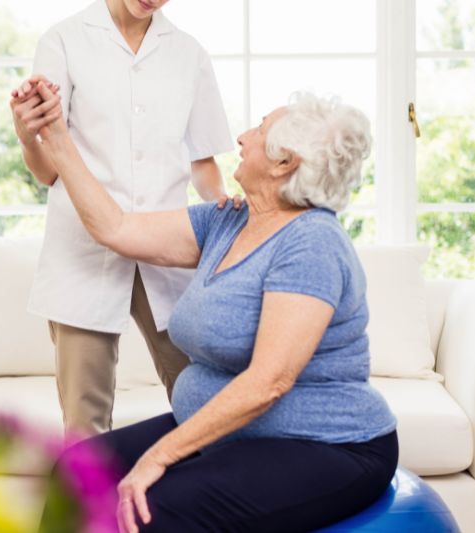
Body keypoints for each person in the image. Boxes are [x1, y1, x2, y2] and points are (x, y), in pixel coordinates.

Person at [30, 85, 400, 532]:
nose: (242, 137)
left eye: (259, 130)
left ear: (285, 163)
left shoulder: (312, 243)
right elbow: (116, 227)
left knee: (153, 506)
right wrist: (57, 139)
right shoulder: (227, 220)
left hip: (329, 446)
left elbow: (269, 382)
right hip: (241, 434)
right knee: (77, 470)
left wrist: (160, 455)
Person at [9, 0, 240, 437]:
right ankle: (89, 509)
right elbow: (48, 170)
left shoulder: (189, 54)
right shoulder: (63, 40)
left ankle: (204, 503)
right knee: (85, 429)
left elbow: (202, 160)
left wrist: (228, 214)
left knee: (207, 412)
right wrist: (26, 136)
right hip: (82, 252)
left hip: (166, 249)